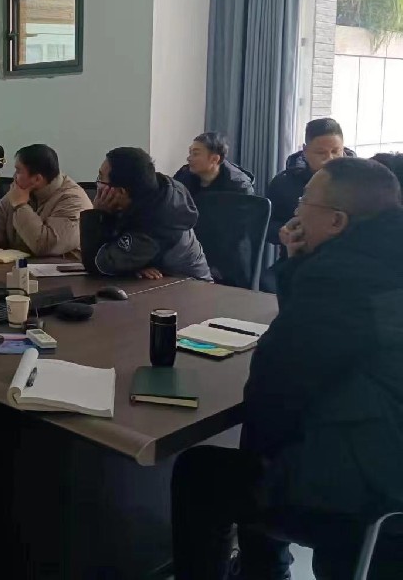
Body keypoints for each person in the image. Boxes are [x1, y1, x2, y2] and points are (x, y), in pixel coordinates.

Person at [172, 158, 403, 580]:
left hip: (367, 494)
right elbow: (316, 344)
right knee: (272, 451)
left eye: (304, 201)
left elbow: (274, 385)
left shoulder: (339, 280)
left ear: (336, 220)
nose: (295, 212)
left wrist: (305, 268)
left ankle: (263, 569)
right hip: (387, 462)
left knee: (207, 472)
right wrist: (301, 264)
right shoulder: (380, 262)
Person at [81, 147, 211, 280]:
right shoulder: (149, 189)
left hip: (192, 286)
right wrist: (131, 265)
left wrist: (96, 214)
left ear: (120, 192)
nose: (98, 185)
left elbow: (96, 264)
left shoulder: (155, 227)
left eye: (100, 178)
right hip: (165, 280)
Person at [0, 144, 91, 258]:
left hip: (62, 275)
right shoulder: (21, 190)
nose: (14, 176)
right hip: (21, 269)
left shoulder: (74, 201)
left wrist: (20, 206)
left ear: (37, 179)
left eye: (18, 171)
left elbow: (45, 245)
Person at [266, 117, 353, 247]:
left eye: (335, 151)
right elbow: (265, 224)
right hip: (299, 253)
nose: (330, 158)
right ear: (305, 151)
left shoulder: (359, 181)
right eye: (321, 153)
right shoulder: (284, 183)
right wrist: (281, 232)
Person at [173, 132, 254, 197]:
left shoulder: (238, 187)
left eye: (195, 154)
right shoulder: (183, 175)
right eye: (190, 153)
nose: (189, 158)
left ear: (214, 159)